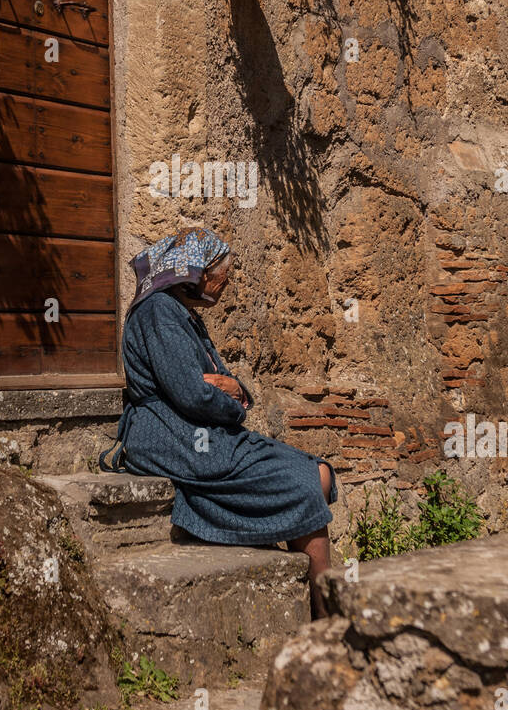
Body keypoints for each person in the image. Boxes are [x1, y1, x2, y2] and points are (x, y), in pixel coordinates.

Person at [100, 226, 337, 619]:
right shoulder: (160, 313)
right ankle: (326, 613)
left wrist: (232, 389)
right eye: (222, 276)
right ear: (198, 273)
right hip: (172, 435)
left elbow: (224, 382)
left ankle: (324, 606)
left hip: (197, 429)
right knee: (309, 481)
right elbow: (192, 394)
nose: (226, 285)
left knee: (319, 473)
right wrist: (230, 402)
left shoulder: (182, 314)